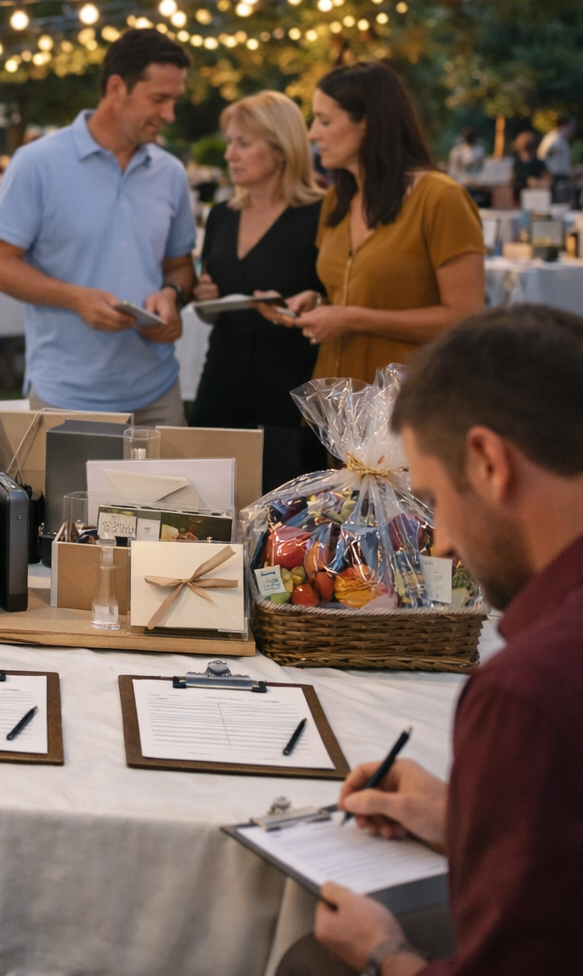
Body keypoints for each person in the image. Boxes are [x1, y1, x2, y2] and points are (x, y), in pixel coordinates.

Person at [277, 304, 583, 975]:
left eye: (437, 501)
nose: (440, 543)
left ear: (490, 463)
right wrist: (467, 819)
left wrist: (383, 953)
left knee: (308, 957)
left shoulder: (526, 693)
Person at [0, 28, 195, 423]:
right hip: (66, 395)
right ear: (117, 88)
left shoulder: (171, 173)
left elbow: (180, 265)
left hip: (159, 393)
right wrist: (75, 298)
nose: (169, 115)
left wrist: (173, 294)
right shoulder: (36, 163)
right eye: (158, 99)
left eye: (174, 100)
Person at [263, 62, 485, 384]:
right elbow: (360, 293)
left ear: (367, 123)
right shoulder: (336, 199)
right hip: (334, 398)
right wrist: (319, 303)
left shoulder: (441, 198)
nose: (312, 133)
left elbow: (465, 318)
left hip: (407, 401)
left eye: (324, 121)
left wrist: (352, 318)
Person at [190, 91, 325, 488]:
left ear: (281, 150)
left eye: (243, 143)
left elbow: (336, 296)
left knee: (285, 514)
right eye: (230, 142)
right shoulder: (222, 215)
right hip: (220, 389)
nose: (229, 154)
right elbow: (212, 301)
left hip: (290, 395)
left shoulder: (322, 214)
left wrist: (314, 302)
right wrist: (205, 298)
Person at [537, 114, 575, 203]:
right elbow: (542, 155)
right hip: (555, 175)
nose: (573, 130)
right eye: (571, 127)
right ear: (564, 126)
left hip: (561, 175)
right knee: (557, 201)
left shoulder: (562, 138)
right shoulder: (554, 139)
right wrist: (547, 171)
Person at [507, 130, 548, 200]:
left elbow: (546, 178)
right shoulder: (513, 160)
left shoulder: (538, 161)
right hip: (516, 194)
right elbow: (509, 178)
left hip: (533, 195)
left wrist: (538, 183)